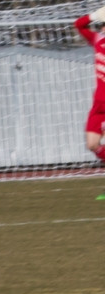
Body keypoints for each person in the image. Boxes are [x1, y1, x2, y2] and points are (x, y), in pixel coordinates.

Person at [75, 5, 105, 198]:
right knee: (92, 144)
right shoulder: (97, 39)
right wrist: (94, 14)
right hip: (99, 104)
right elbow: (79, 24)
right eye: (99, 24)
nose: (99, 26)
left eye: (101, 23)